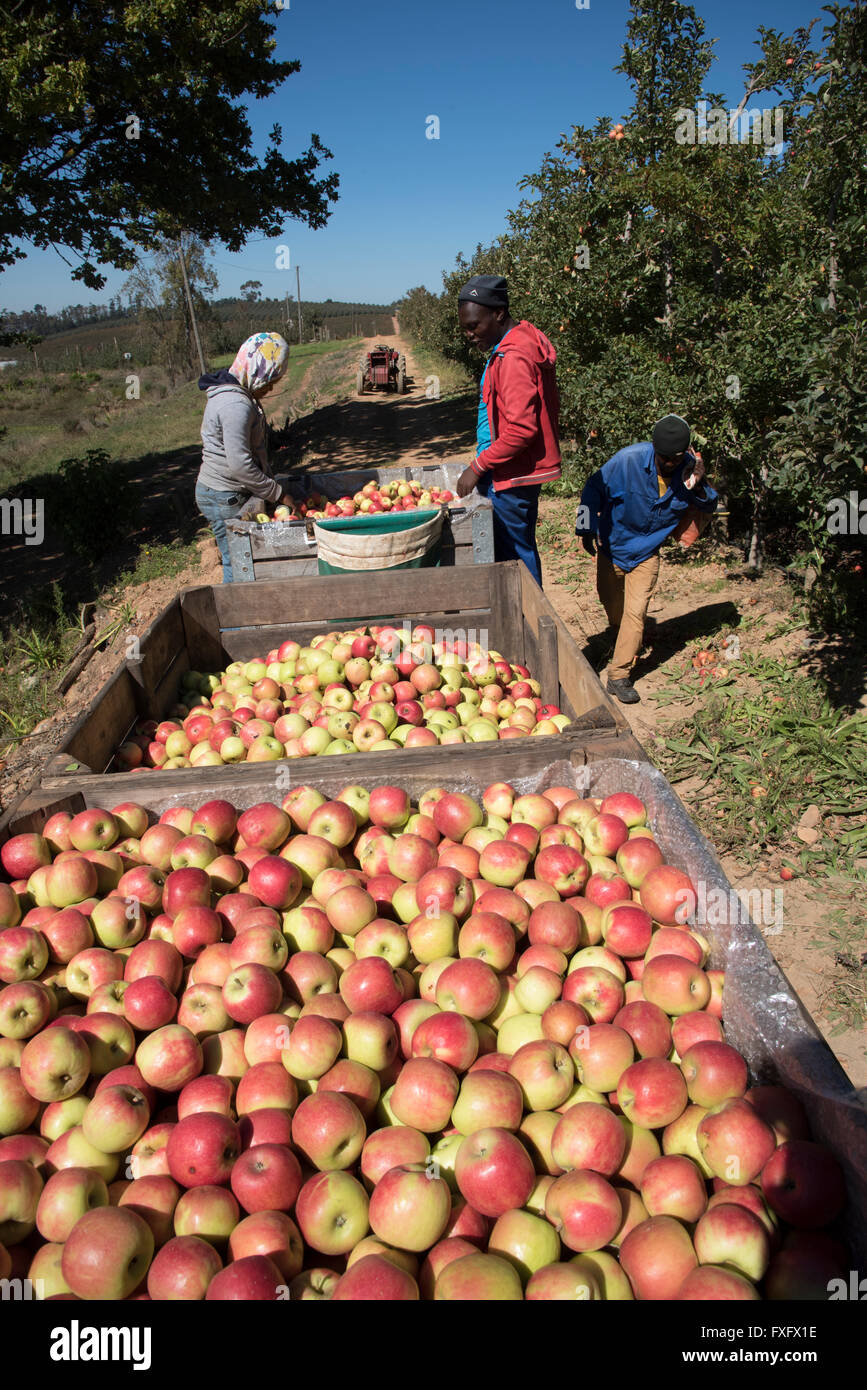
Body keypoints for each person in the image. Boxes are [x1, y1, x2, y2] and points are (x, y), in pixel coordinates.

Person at [575, 413, 719, 704]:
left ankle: (619, 675)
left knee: (636, 612)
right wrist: (585, 526)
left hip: (647, 552)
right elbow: (593, 487)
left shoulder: (690, 471)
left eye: (675, 458)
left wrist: (699, 483)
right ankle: (621, 636)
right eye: (663, 457)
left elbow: (711, 504)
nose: (669, 464)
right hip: (613, 546)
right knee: (612, 603)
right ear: (654, 448)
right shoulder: (628, 461)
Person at [454, 275, 561, 586]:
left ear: (498, 313)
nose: (469, 334)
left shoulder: (513, 356)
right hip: (514, 470)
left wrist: (478, 466)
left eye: (474, 325)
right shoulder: (519, 341)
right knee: (517, 553)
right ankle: (525, 623)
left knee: (512, 562)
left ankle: (525, 627)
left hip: (511, 475)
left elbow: (521, 430)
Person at [196, 330, 293, 583]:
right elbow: (240, 466)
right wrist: (277, 493)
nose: (271, 387)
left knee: (237, 559)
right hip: (224, 494)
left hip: (217, 490)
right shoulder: (235, 405)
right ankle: (236, 620)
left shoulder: (231, 394)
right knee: (239, 564)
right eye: (270, 379)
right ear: (257, 369)